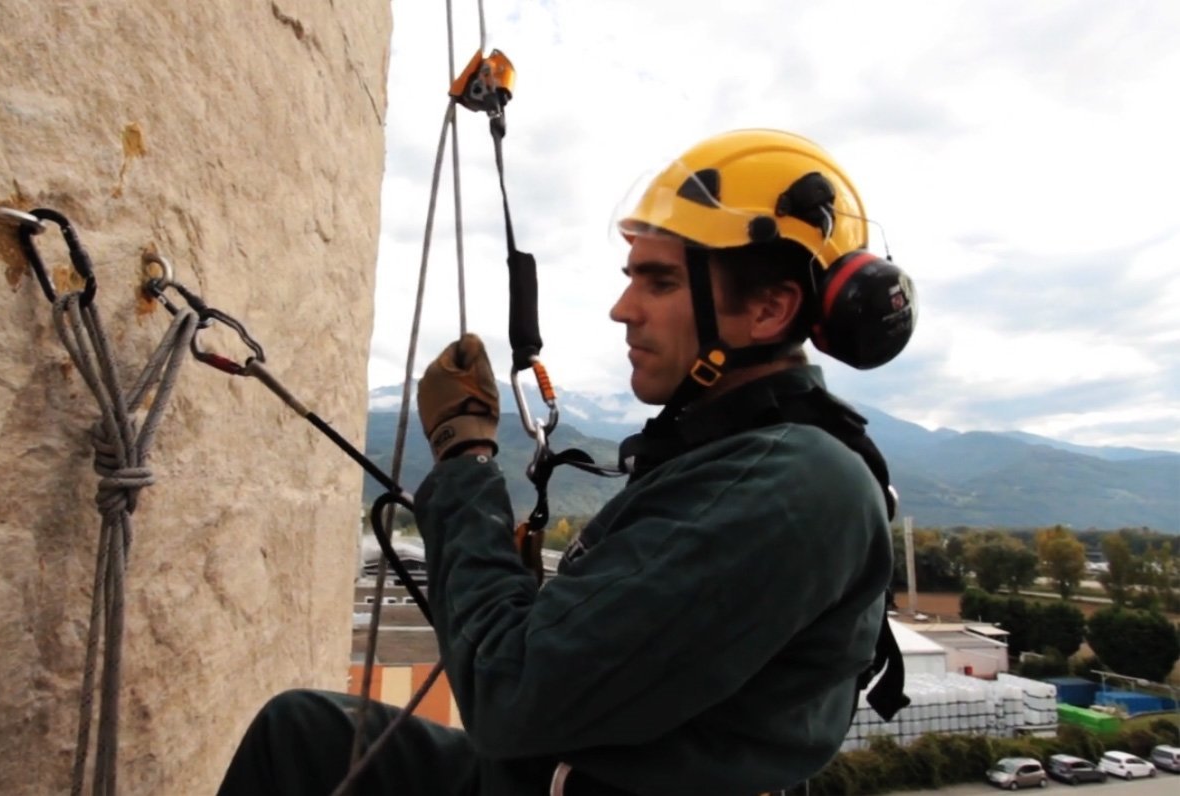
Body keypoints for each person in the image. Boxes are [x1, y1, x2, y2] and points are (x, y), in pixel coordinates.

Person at [217, 129, 916, 796]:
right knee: (303, 738)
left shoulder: (789, 487)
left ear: (768, 310)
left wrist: (465, 460)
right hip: (558, 776)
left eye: (660, 282)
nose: (622, 308)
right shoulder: (741, 457)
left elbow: (507, 689)